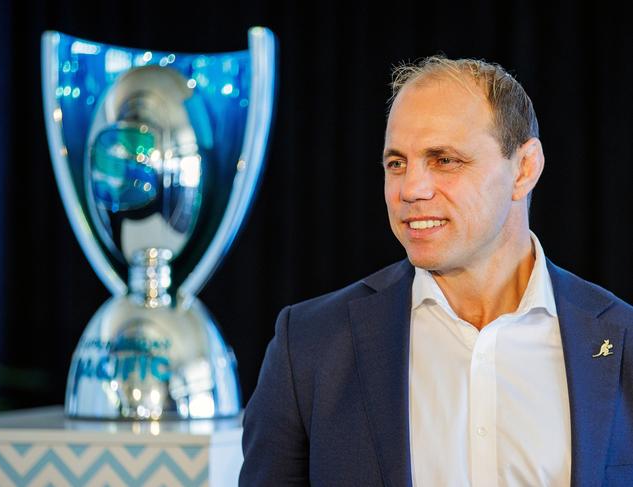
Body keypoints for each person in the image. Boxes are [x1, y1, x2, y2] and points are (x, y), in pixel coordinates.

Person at [239, 56, 633, 487]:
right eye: (396, 163)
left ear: (524, 168)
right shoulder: (311, 347)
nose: (411, 189)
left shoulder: (623, 340)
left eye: (444, 160)